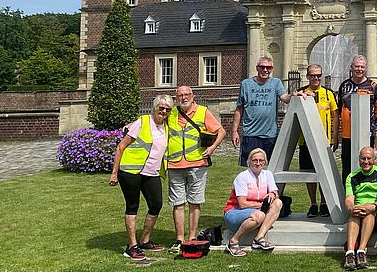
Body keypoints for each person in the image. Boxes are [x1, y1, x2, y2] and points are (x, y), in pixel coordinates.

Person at [109, 95, 172, 260]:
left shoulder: (166, 126)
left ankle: (144, 240)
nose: (164, 111)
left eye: (167, 109)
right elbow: (121, 146)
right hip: (131, 172)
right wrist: (114, 172)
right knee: (132, 206)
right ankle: (131, 246)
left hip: (151, 173)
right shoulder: (142, 122)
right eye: (161, 108)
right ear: (154, 107)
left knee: (156, 205)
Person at [166, 85, 226, 254]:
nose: (184, 98)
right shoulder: (170, 114)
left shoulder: (202, 111)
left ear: (193, 96)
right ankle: (179, 239)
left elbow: (221, 131)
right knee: (177, 203)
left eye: (187, 95)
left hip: (197, 163)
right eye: (180, 95)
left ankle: (191, 237)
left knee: (194, 201)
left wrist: (212, 148)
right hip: (175, 164)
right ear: (176, 98)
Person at [231, 56, 291, 166]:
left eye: (268, 68)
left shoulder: (276, 83)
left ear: (271, 69)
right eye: (262, 67)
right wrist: (235, 131)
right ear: (257, 68)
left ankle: (266, 184)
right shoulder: (246, 84)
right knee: (251, 167)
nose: (265, 70)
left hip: (270, 134)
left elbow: (285, 98)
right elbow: (239, 109)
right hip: (251, 134)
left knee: (271, 167)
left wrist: (295, 95)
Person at [297, 64, 339, 218]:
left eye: (318, 75)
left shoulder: (328, 94)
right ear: (307, 76)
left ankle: (324, 203)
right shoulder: (301, 93)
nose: (316, 78)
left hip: (324, 140)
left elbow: (335, 115)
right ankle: (313, 203)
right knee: (309, 174)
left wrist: (335, 137)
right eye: (312, 75)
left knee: (325, 174)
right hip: (306, 141)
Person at [223, 148, 282, 256]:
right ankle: (233, 242)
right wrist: (262, 206)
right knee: (259, 215)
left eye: (261, 160)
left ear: (265, 162)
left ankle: (259, 237)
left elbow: (275, 193)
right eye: (255, 160)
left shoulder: (268, 174)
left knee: (278, 203)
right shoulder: (242, 177)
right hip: (235, 212)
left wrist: (272, 194)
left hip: (256, 212)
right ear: (249, 161)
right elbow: (242, 204)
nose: (258, 163)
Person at [337, 55, 377, 182]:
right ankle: (347, 195)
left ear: (366, 68)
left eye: (362, 67)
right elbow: (340, 107)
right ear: (351, 68)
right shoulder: (344, 86)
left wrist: (371, 123)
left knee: (367, 163)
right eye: (357, 66)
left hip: (366, 133)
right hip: (348, 134)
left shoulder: (372, 86)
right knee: (347, 166)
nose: (359, 69)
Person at [343, 146, 377, 270]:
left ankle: (361, 251)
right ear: (359, 160)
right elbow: (349, 198)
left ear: (374, 160)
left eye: (369, 158)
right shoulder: (352, 176)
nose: (366, 161)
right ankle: (350, 253)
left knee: (369, 212)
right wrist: (351, 207)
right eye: (363, 158)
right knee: (354, 213)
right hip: (358, 211)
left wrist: (373, 207)